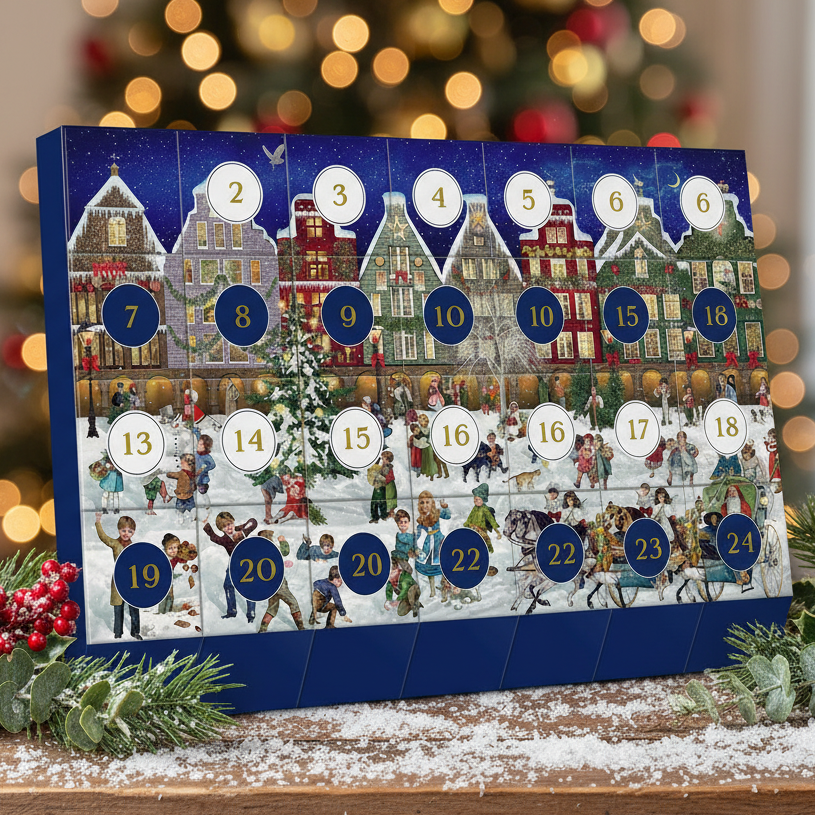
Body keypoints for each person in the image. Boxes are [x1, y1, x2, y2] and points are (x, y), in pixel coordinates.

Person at [203, 510, 258, 622]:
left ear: (233, 522)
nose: (228, 528)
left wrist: (243, 531)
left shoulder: (241, 529)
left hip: (247, 564)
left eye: (229, 524)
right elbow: (214, 537)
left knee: (248, 587)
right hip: (233, 564)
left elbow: (253, 522)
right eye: (224, 527)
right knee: (228, 585)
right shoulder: (224, 539)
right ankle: (231, 611)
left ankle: (251, 613)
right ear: (221, 529)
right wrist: (205, 525)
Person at [94, 512, 141, 640]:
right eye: (123, 530)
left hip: (132, 581)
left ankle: (135, 632)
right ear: (119, 530)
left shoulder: (135, 547)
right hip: (118, 581)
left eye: (130, 531)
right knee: (118, 609)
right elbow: (103, 537)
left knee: (134, 608)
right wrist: (98, 521)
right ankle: (118, 633)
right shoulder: (115, 544)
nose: (126, 533)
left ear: (134, 532)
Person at [414, 490, 450, 598]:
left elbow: (447, 516)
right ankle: (432, 589)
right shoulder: (420, 519)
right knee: (429, 566)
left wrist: (445, 507)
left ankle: (444, 589)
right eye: (422, 502)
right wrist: (417, 547)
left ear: (432, 503)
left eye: (427, 502)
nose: (425, 505)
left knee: (442, 565)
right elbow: (418, 535)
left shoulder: (437, 513)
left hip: (438, 541)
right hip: (427, 544)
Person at [463, 483, 502, 553]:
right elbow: (470, 518)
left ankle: (486, 552)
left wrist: (497, 532)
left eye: (478, 499)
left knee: (484, 541)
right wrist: (467, 525)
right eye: (475, 499)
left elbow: (491, 520)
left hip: (482, 530)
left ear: (483, 499)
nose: (476, 501)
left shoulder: (485, 509)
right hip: (473, 528)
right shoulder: (474, 509)